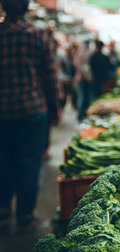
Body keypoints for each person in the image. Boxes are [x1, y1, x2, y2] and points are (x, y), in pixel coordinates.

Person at [0, 0, 63, 227]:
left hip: (3, 111)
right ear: (27, 8)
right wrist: (56, 108)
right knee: (28, 162)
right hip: (32, 110)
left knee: (4, 160)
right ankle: (25, 212)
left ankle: (4, 206)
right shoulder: (36, 35)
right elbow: (50, 75)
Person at [74, 40, 93, 121]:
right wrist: (87, 77)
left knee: (82, 97)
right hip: (83, 79)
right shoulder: (85, 52)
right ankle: (81, 114)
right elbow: (84, 67)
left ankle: (81, 114)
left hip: (79, 78)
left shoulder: (78, 52)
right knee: (83, 97)